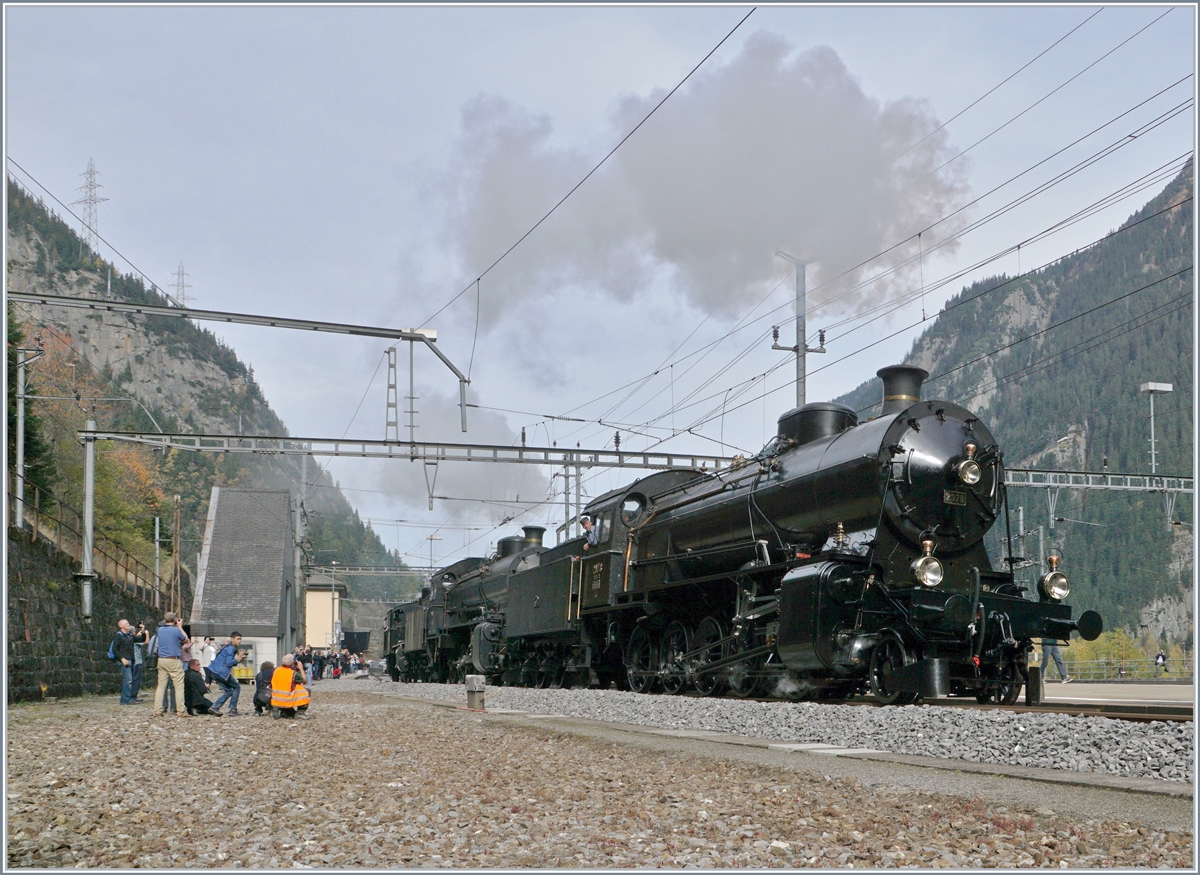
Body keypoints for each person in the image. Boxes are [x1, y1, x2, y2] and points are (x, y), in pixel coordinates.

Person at [153, 612, 192, 717]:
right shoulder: (176, 631)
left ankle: (158, 710)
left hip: (161, 660)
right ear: (175, 620)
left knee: (161, 686)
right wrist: (180, 626)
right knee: (179, 686)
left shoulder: (159, 630)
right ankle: (180, 710)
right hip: (173, 660)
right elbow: (186, 640)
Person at [209, 632, 247, 716]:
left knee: (229, 691)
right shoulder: (231, 649)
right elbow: (228, 663)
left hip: (214, 671)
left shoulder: (227, 647)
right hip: (222, 672)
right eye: (238, 639)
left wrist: (239, 660)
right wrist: (239, 657)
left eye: (240, 639)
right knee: (236, 686)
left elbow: (225, 661)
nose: (239, 641)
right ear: (232, 639)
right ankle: (233, 709)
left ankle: (215, 707)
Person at [271, 654, 311, 719]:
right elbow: (304, 681)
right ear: (292, 664)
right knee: (306, 690)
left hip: (276, 700)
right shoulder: (293, 674)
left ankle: (284, 711)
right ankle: (300, 713)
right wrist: (301, 668)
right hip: (287, 699)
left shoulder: (276, 670)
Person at [110, 620, 137, 705]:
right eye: (126, 623)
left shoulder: (129, 635)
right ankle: (125, 700)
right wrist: (122, 659)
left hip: (130, 659)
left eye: (128, 623)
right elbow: (114, 649)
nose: (128, 625)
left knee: (129, 680)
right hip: (125, 660)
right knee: (127, 680)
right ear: (121, 626)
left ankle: (127, 698)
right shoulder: (119, 635)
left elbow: (140, 639)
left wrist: (143, 631)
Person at [130, 621, 150, 702]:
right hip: (137, 661)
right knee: (136, 680)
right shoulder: (134, 640)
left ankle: (132, 695)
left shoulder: (129, 638)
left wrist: (142, 629)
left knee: (132, 679)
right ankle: (133, 696)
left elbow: (139, 635)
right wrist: (147, 633)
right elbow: (146, 642)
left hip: (132, 661)